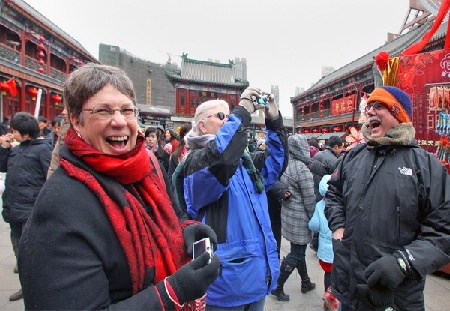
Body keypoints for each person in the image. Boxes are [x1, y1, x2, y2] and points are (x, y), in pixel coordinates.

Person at [19, 63, 220, 310]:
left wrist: (185, 230)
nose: (119, 121)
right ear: (76, 121)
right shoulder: (61, 203)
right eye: (103, 111)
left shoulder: (148, 166)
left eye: (127, 110)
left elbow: (171, 215)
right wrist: (172, 292)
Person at [326, 86, 450, 311]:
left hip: (395, 296)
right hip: (349, 289)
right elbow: (333, 193)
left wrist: (403, 262)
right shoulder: (353, 157)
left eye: (379, 105)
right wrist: (338, 225)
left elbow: (443, 232)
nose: (370, 111)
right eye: (369, 106)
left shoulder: (426, 166)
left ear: (398, 113)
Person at [180, 88, 288, 310]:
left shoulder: (244, 162)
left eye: (230, 116)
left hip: (256, 277)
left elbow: (276, 163)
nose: (228, 121)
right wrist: (243, 111)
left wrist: (274, 119)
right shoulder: (196, 163)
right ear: (202, 125)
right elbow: (221, 158)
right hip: (225, 283)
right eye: (222, 116)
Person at [0, 112, 52, 302]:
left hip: (31, 209)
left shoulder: (43, 149)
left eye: (13, 130)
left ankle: (38, 288)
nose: (11, 134)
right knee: (20, 252)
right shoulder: (16, 149)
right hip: (13, 208)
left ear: (23, 131)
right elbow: (3, 167)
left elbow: (50, 178)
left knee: (32, 253)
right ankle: (26, 286)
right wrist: (4, 149)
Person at [271, 134, 316, 301]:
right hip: (300, 219)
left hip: (288, 214)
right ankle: (278, 286)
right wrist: (314, 219)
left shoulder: (286, 165)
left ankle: (306, 281)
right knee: (297, 253)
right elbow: (309, 198)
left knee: (298, 250)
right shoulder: (302, 169)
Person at [308, 175, 339, 311]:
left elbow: (314, 225)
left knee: (328, 275)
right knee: (339, 275)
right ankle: (335, 299)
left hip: (325, 252)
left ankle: (328, 297)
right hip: (338, 250)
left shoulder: (320, 205)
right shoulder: (341, 204)